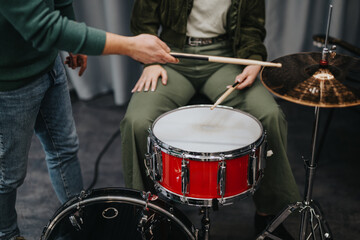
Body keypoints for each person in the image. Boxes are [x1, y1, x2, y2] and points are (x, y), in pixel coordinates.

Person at [120, 0, 301, 238]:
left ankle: (269, 214)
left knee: (269, 115)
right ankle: (150, 211)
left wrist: (253, 60)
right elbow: (143, 22)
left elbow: (251, 29)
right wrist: (151, 61)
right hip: (172, 55)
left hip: (226, 56)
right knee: (136, 121)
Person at [0, 0, 178, 239]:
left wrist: (73, 40)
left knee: (65, 149)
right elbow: (44, 28)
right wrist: (129, 46)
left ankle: (80, 227)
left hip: (49, 65)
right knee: (8, 174)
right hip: (10, 84)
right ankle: (8, 233)